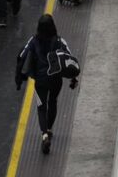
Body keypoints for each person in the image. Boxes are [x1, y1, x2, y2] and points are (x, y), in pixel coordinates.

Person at [15, 15, 78, 154]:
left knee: (41, 107)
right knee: (53, 101)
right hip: (56, 79)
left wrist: (19, 78)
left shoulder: (34, 40)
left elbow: (22, 56)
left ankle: (44, 135)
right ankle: (49, 128)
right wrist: (73, 78)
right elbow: (69, 59)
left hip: (41, 81)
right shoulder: (60, 41)